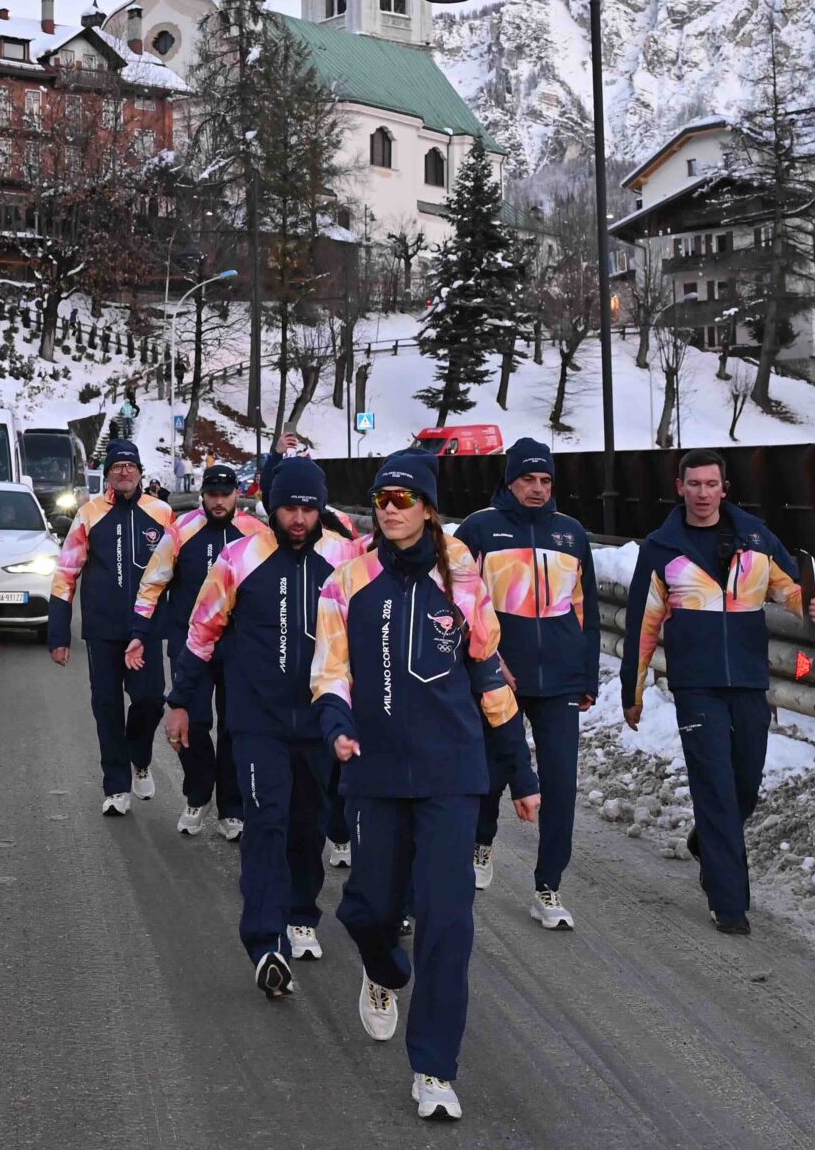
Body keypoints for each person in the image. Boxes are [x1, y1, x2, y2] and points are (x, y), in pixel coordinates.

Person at [314, 447, 538, 1123]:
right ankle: (383, 968)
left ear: (429, 507)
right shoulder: (347, 579)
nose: (390, 507)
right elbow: (330, 670)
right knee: (366, 908)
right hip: (375, 772)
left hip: (452, 774)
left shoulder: (463, 583)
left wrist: (521, 771)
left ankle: (435, 1068)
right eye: (382, 497)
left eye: (403, 497)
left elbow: (492, 679)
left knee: (448, 923)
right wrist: (337, 721)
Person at [169, 456, 360, 998]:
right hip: (257, 721)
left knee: (311, 823)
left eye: (307, 507)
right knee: (267, 822)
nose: (298, 518)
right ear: (271, 507)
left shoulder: (344, 558)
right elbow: (202, 632)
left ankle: (302, 914)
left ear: (321, 508)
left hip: (323, 719)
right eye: (288, 507)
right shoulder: (239, 557)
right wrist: (181, 700)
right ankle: (265, 941)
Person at [621, 449, 815, 935]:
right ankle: (728, 902)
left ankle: (706, 843)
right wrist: (631, 691)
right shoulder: (662, 548)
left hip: (748, 681)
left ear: (724, 488)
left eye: (710, 484)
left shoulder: (756, 539)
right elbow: (643, 625)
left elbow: (794, 592)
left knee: (745, 785)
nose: (701, 493)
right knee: (714, 785)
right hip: (696, 686)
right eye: (692, 484)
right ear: (680, 488)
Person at [455, 437, 599, 929]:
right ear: (509, 481)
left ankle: (548, 886)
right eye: (527, 479)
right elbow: (459, 608)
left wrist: (586, 673)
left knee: (561, 782)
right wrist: (487, 660)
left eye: (545, 481)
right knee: (493, 773)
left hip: (559, 679)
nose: (537, 489)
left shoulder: (571, 534)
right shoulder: (479, 529)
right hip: (500, 676)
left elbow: (587, 610)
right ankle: (481, 840)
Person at [133, 462, 266, 840]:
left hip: (240, 647)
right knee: (192, 722)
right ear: (203, 495)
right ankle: (197, 792)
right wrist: (140, 631)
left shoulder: (256, 534)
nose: (219, 502)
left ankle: (232, 808)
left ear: (237, 495)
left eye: (225, 495)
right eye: (212, 495)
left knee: (235, 727)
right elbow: (152, 583)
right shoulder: (180, 531)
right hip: (190, 644)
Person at [48, 439, 177, 813]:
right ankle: (116, 786)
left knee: (151, 699)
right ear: (107, 473)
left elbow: (179, 569)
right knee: (106, 705)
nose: (124, 472)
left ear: (140, 472)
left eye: (130, 466)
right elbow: (66, 573)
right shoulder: (89, 514)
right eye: (117, 466)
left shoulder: (162, 512)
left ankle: (139, 758)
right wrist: (58, 633)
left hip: (148, 627)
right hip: (102, 629)